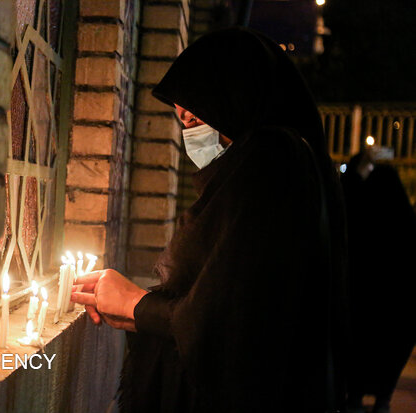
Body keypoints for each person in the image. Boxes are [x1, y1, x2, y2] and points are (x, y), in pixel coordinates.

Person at [71, 27, 348, 413]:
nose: (193, 134)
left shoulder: (273, 160)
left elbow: (230, 321)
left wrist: (135, 303)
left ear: (235, 99)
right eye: (183, 122)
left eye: (197, 116)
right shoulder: (287, 164)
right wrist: (138, 315)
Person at [341, 148, 416, 413]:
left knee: (360, 346)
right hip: (397, 311)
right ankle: (383, 399)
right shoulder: (406, 224)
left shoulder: (361, 223)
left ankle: (355, 397)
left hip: (362, 302)